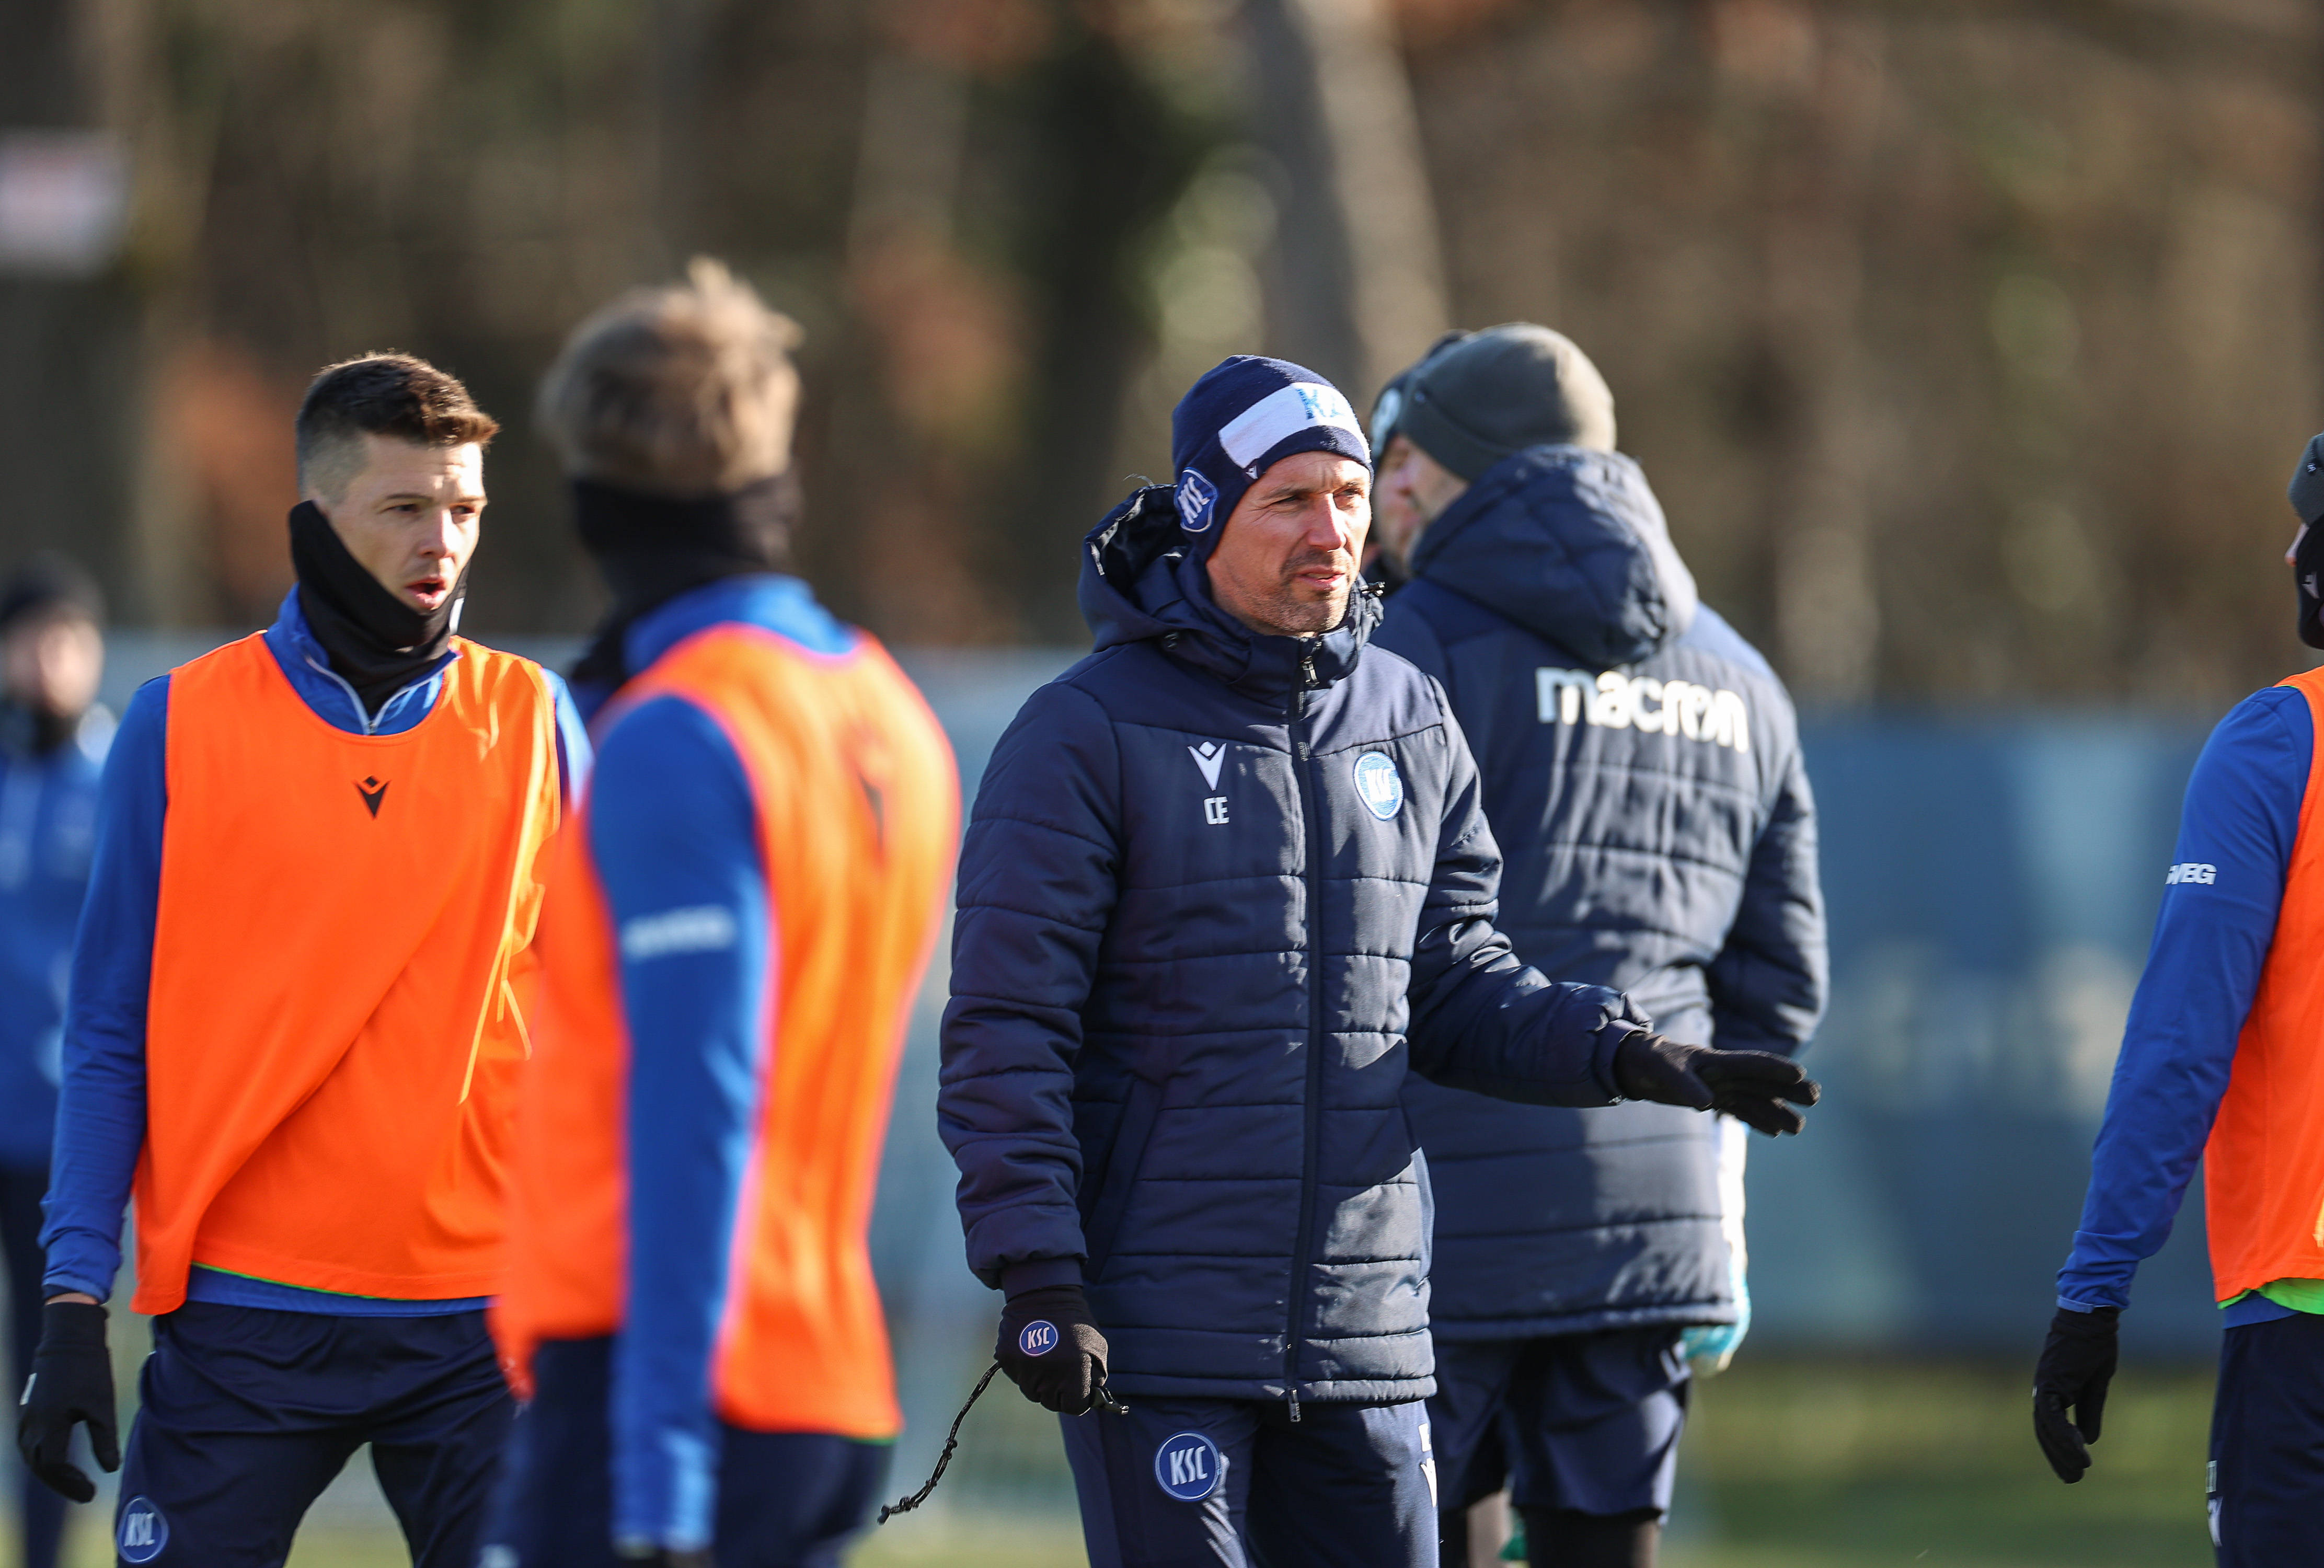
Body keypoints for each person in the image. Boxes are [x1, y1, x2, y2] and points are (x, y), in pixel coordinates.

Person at [938, 353, 1819, 1568]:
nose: (1334, 531)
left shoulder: (1408, 711)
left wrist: (1624, 1052)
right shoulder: (1085, 731)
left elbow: (1454, 981)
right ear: (1201, 515)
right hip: (1162, 1333)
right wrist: (1038, 1271)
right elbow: (1006, 1027)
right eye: (1290, 500)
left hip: (1372, 1333)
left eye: (1351, 497)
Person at [16, 354, 590, 1568]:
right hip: (242, 1319)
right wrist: (74, 1302)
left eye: (467, 510)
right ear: (316, 519)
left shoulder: (539, 722)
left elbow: (602, 1030)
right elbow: (112, 1028)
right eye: (406, 508)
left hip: (485, 1326)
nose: (445, 541)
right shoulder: (179, 725)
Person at [486, 260, 961, 1568]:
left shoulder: (684, 733)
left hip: (674, 1399)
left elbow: (703, 1110)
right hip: (823, 1388)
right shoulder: (888, 714)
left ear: (592, 490)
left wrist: (658, 1484)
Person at [1365, 325, 1827, 1568]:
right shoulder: (1741, 675)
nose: (1382, 491)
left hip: (1427, 1230)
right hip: (1653, 1225)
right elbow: (1777, 988)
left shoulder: (1402, 658)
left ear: (1447, 470)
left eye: (1400, 458)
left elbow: (1344, 945)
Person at [2033, 406, 2324, 1563]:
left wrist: (2094, 1289)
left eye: (2307, 525)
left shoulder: (2284, 739)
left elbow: (2181, 1040)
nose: (2288, 554)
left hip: (2321, 1316)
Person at [0, 556, 110, 1568]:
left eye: (68, 639)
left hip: (60, 1137)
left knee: (46, 1363)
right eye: (31, 638)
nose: (49, 661)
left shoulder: (121, 780)